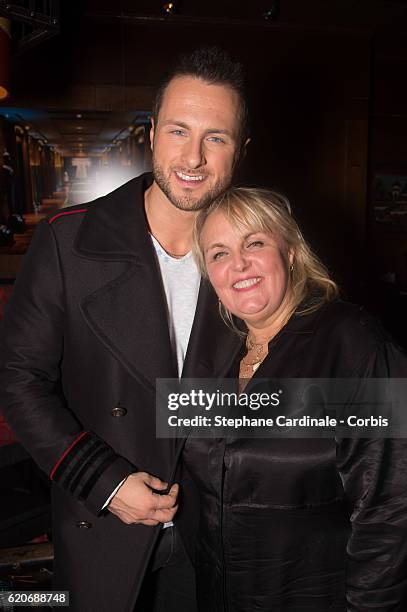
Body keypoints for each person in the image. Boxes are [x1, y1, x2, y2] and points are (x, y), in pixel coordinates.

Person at [0, 47, 249, 612]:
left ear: (241, 151)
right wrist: (105, 482)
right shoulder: (69, 242)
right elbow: (18, 379)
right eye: (180, 131)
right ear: (153, 132)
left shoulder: (257, 258)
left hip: (217, 534)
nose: (193, 156)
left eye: (217, 137)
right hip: (102, 519)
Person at [183, 186, 407, 611]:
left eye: (255, 243)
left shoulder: (352, 342)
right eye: (218, 254)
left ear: (289, 251)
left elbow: (392, 506)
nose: (239, 264)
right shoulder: (212, 352)